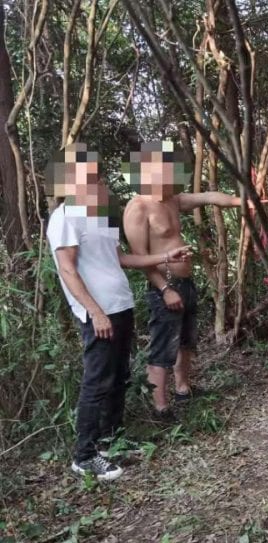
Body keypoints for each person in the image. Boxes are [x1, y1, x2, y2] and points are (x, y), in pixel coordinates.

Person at [46, 143, 192, 481]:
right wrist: (95, 312)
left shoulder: (98, 217)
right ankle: (84, 456)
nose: (100, 182)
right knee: (97, 382)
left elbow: (121, 259)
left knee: (118, 378)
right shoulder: (64, 218)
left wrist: (164, 259)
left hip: (120, 305)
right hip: (99, 313)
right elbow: (68, 270)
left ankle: (112, 442)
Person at [122, 141, 243, 419]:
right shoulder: (138, 208)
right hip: (164, 288)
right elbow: (139, 259)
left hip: (186, 285)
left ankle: (183, 388)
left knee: (186, 342)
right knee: (163, 347)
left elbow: (210, 197)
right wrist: (165, 290)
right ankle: (161, 408)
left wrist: (241, 201)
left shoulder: (173, 199)